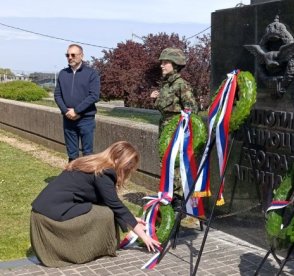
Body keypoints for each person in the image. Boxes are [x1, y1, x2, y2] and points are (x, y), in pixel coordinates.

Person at [30, 141, 161, 267]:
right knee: (105, 213)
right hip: (51, 216)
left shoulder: (92, 164)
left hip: (43, 211)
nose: (129, 168)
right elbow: (115, 205)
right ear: (117, 159)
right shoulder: (105, 172)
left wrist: (132, 220)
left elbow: (106, 200)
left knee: (104, 210)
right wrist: (144, 237)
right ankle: (86, 250)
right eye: (128, 163)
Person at [150, 47, 200, 228]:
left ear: (175, 65)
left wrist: (181, 128)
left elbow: (192, 110)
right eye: (162, 62)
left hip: (177, 132)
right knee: (166, 164)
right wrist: (155, 98)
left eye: (165, 62)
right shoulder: (166, 84)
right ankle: (168, 199)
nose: (162, 65)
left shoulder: (181, 85)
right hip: (164, 129)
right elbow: (164, 106)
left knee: (176, 166)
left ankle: (178, 204)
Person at [54, 44, 100, 162]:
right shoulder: (63, 73)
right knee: (72, 154)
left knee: (87, 154)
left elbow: (94, 95)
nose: (70, 57)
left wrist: (77, 111)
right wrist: (66, 112)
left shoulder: (91, 73)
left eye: (73, 55)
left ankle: (87, 179)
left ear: (81, 55)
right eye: (67, 55)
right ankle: (73, 178)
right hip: (68, 118)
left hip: (86, 119)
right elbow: (57, 95)